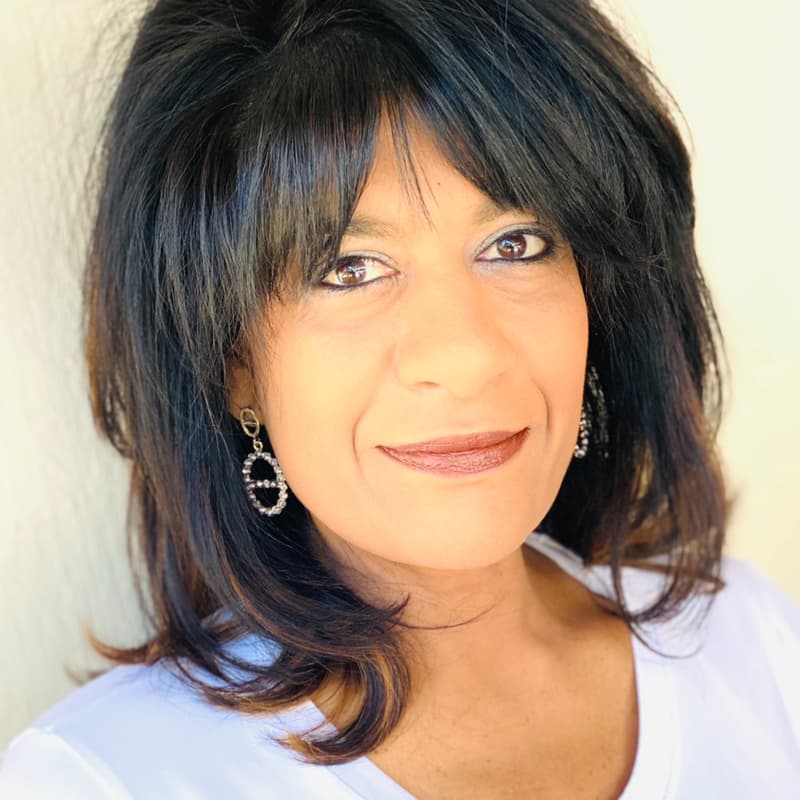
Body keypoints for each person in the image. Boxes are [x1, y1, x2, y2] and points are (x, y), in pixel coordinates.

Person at [1, 0, 798, 797]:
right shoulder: (97, 780)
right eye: (348, 269)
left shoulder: (750, 647)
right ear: (233, 364)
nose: (465, 357)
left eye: (514, 245)